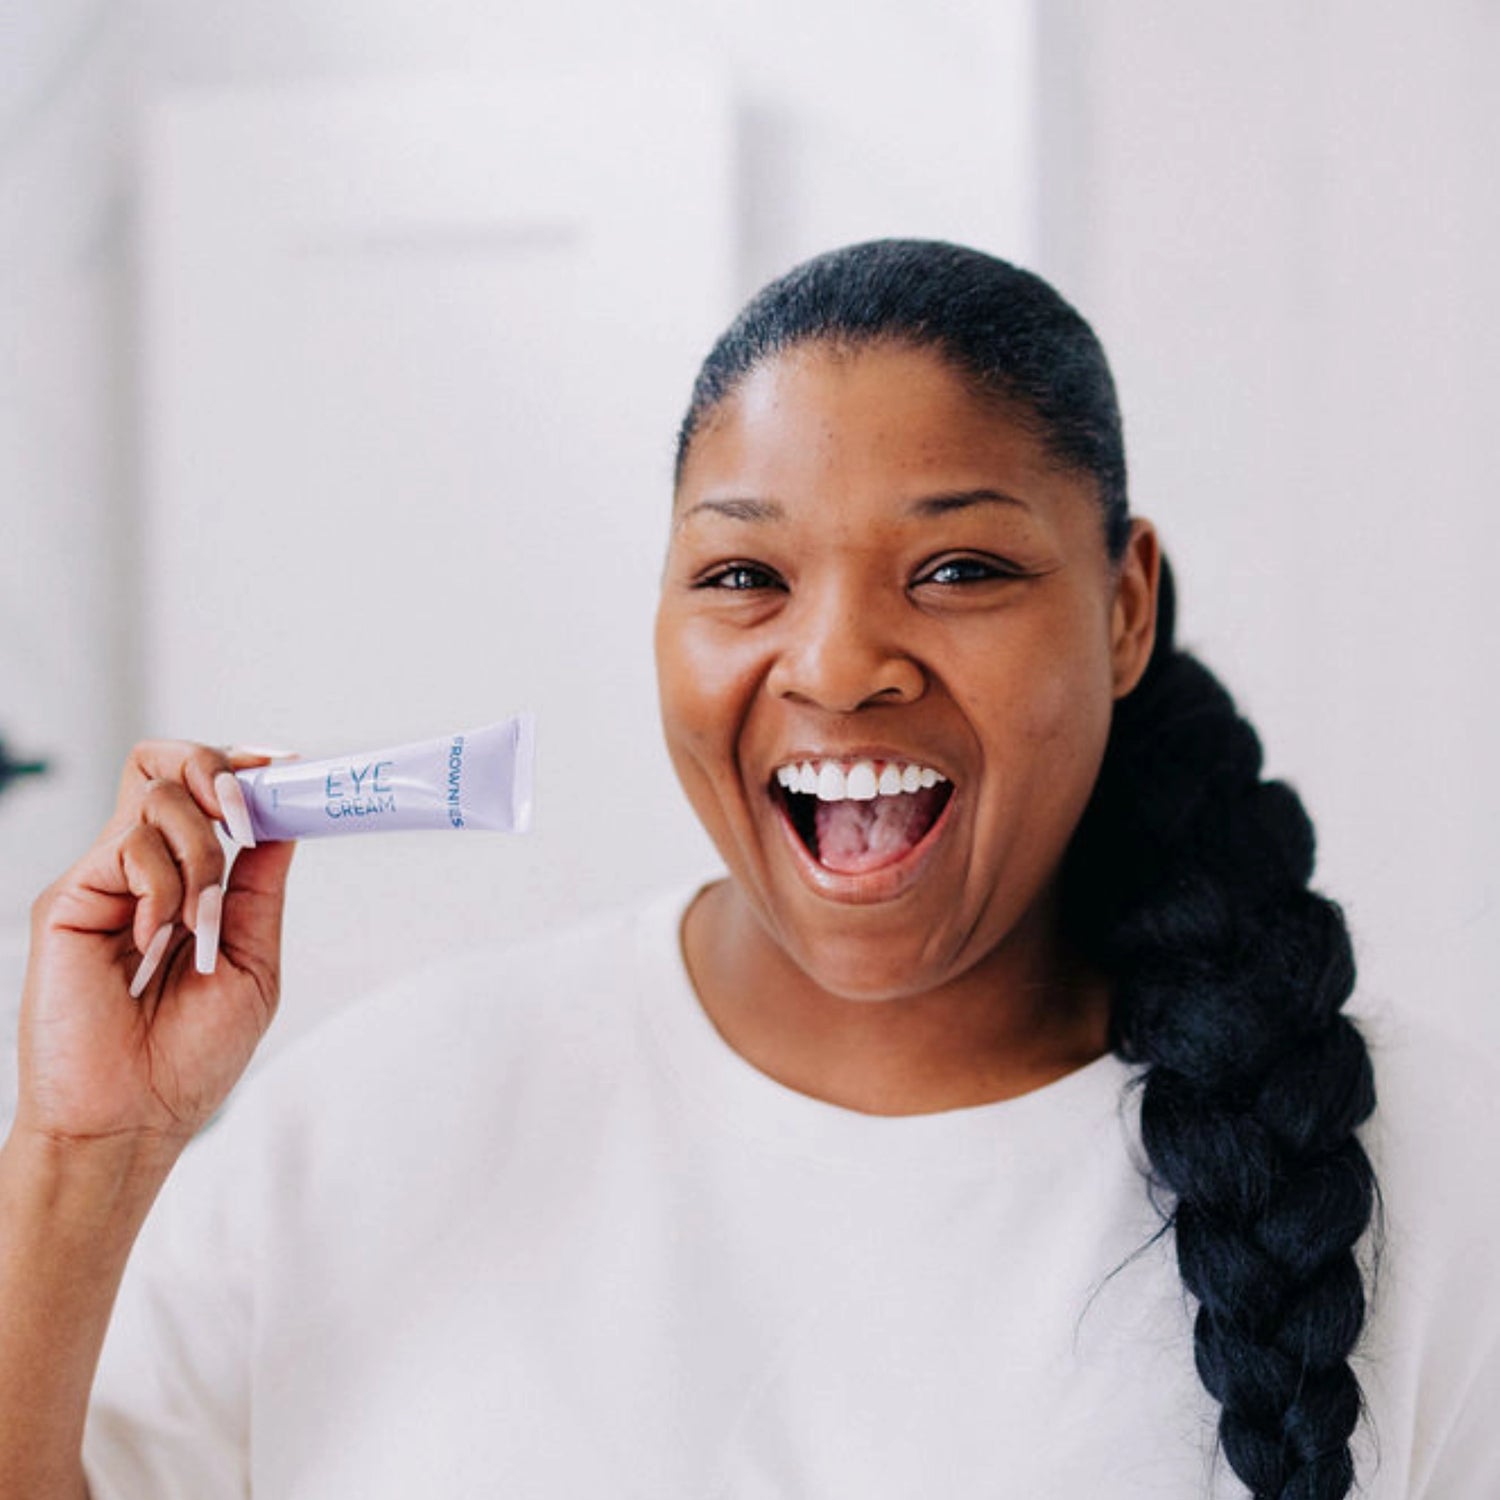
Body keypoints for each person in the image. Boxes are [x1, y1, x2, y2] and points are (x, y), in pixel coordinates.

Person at [1, 240, 1496, 1499]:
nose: (837, 665)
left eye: (960, 568)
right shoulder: (369, 1122)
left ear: (1124, 607)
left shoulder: (1418, 1173)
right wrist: (85, 1154)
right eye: (744, 576)